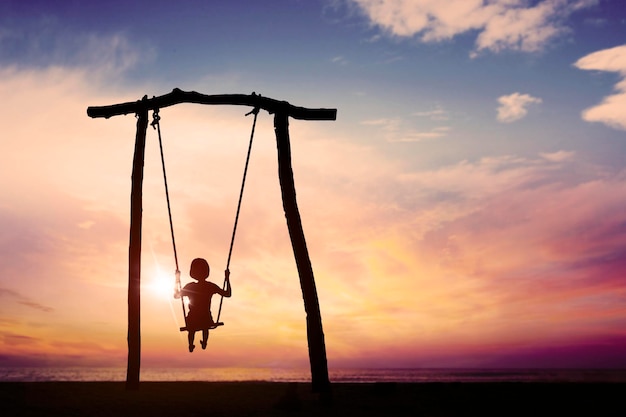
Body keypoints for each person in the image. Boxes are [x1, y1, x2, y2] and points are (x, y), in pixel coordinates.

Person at [174, 258, 231, 352]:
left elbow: (176, 295)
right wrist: (227, 279)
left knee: (192, 329)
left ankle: (191, 344)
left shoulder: (190, 286)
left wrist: (176, 280)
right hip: (205, 318)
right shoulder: (210, 286)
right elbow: (227, 293)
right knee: (205, 326)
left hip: (194, 318)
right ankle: (203, 342)